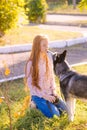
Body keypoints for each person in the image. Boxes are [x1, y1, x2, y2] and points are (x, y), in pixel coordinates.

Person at [25, 34, 67, 118]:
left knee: (67, 111)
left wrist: (53, 92)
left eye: (47, 45)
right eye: (44, 45)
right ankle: (34, 104)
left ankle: (49, 104)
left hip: (50, 92)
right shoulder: (31, 63)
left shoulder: (49, 57)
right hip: (39, 95)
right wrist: (46, 96)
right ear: (37, 46)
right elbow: (30, 85)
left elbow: (51, 76)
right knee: (56, 115)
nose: (47, 47)